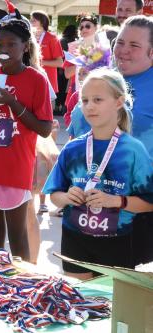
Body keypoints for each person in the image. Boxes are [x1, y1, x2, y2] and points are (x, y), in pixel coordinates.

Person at [43, 68, 153, 280]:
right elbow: (54, 193)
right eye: (84, 100)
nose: (89, 106)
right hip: (75, 239)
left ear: (118, 102)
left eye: (98, 100)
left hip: (117, 242)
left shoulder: (133, 151)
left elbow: (149, 202)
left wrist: (117, 201)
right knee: (80, 303)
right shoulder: (72, 148)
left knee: (109, 306)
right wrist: (66, 198)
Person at [0, 19, 53, 261]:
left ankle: (22, 289)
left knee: (17, 240)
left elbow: (45, 129)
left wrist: (12, 102)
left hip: (15, 168)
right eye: (0, 44)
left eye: (11, 44)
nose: (4, 49)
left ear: (25, 46)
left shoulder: (36, 79)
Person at [113, 15, 153, 265]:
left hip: (142, 203)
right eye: (120, 42)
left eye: (134, 46)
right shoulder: (102, 80)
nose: (124, 51)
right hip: (96, 200)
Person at [30, 10, 64, 94]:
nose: (31, 22)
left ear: (42, 22)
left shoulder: (52, 38)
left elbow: (60, 63)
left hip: (48, 81)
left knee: (48, 107)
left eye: (34, 20)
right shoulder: (29, 38)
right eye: (31, 20)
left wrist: (38, 62)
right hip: (31, 78)